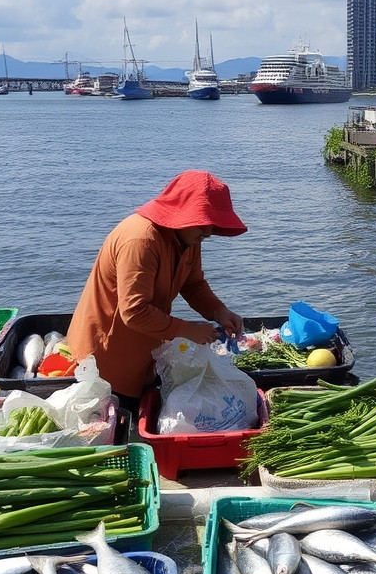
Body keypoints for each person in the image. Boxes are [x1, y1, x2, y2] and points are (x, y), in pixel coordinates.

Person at [67, 170, 246, 410]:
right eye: (203, 222)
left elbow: (193, 285)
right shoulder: (141, 240)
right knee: (119, 427)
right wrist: (187, 330)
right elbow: (134, 311)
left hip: (143, 351)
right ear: (182, 212)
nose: (208, 232)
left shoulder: (188, 237)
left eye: (211, 223)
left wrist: (218, 311)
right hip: (106, 360)